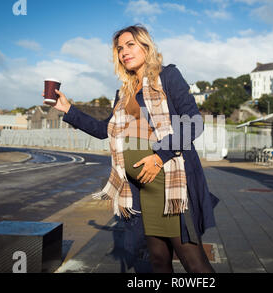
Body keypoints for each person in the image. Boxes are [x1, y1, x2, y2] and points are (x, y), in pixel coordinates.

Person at [43, 25, 219, 273]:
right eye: (119, 48)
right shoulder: (124, 92)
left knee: (193, 261)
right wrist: (69, 110)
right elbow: (105, 130)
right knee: (157, 260)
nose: (124, 52)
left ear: (146, 47)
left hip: (169, 183)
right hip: (138, 188)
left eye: (130, 45)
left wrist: (159, 157)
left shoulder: (167, 76)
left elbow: (194, 122)